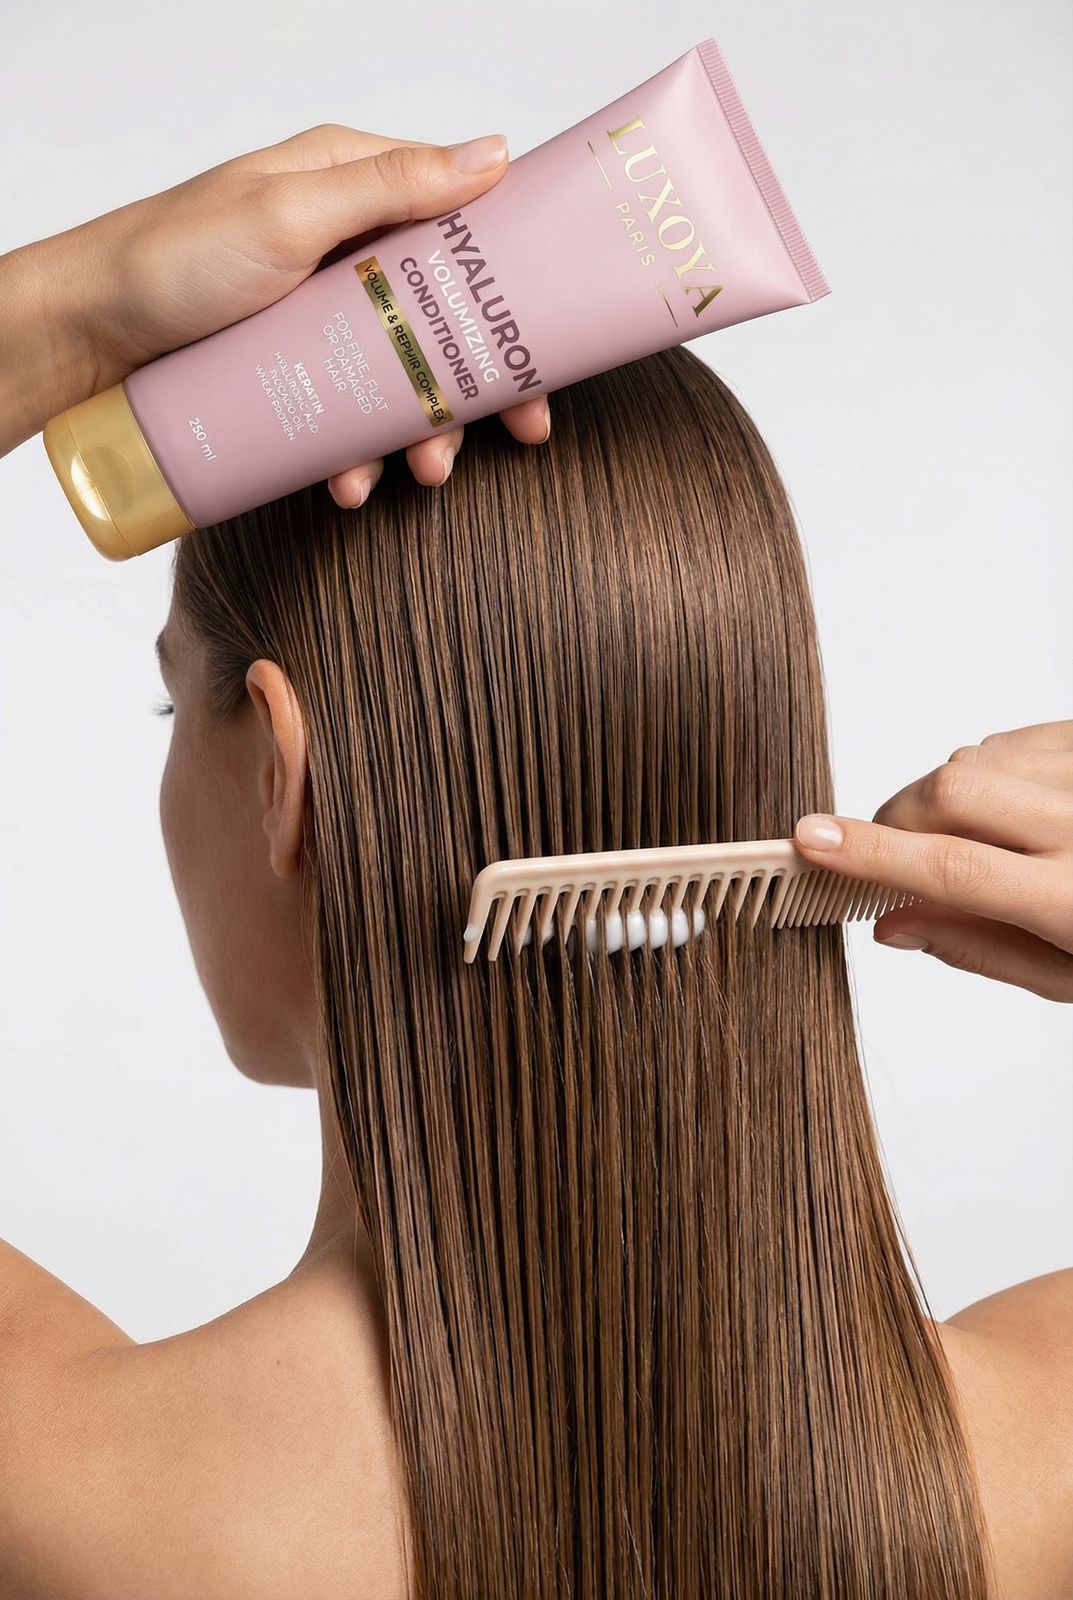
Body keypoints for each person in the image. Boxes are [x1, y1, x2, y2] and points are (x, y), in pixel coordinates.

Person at [0, 129, 1069, 1600]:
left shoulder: (69, 1491)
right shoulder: (1027, 1469)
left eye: (166, 695)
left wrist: (70, 309)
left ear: (280, 774)